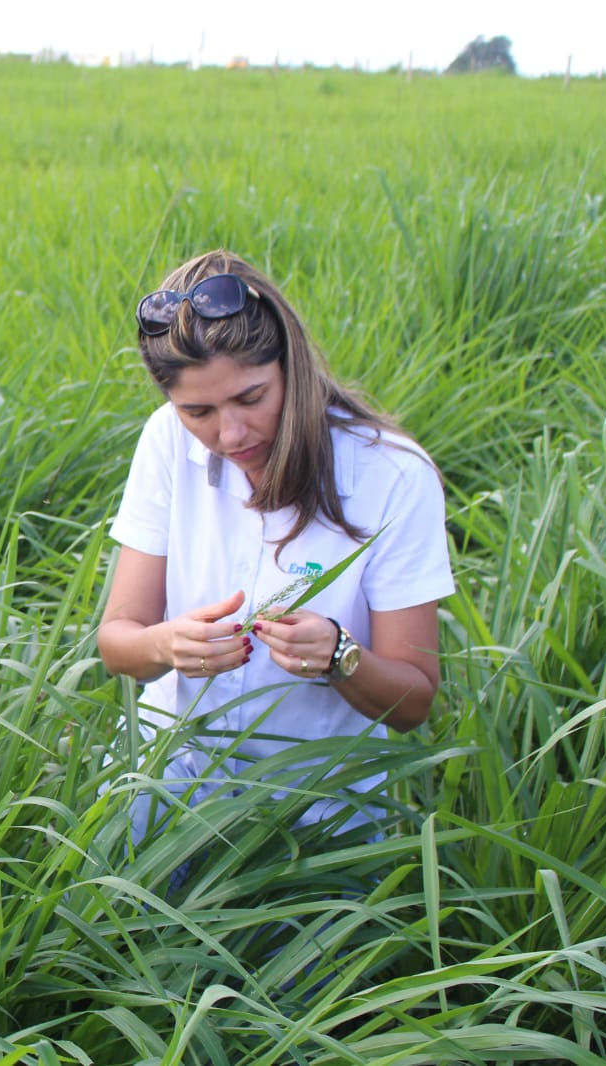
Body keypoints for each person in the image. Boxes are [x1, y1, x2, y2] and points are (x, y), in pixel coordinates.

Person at [98, 249, 454, 841]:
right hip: (168, 782)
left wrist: (340, 657)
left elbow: (415, 701)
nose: (230, 433)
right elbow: (118, 641)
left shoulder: (392, 475)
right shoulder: (165, 442)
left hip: (315, 813)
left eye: (251, 398)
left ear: (290, 365)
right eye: (198, 411)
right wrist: (167, 644)